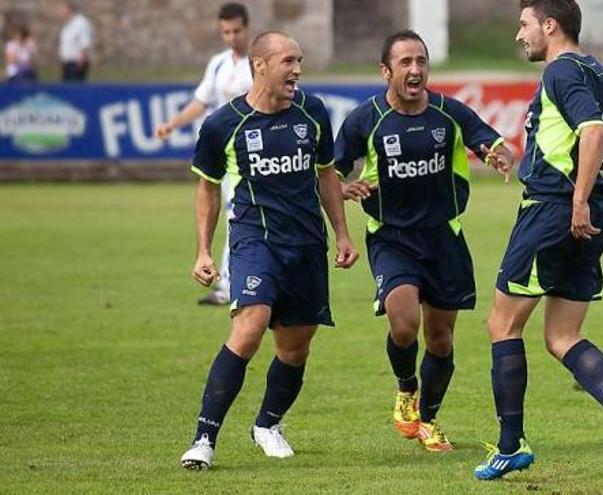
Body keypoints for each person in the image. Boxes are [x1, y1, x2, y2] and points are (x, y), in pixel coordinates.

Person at [473, 0, 603, 481]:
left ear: (549, 25)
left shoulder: (561, 72)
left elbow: (593, 132)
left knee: (502, 325)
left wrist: (576, 202)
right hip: (590, 215)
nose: (519, 35)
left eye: (524, 24)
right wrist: (599, 203)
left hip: (553, 210)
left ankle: (511, 444)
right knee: (562, 336)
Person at [179, 30, 359, 470]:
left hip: (307, 246)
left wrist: (343, 234)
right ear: (260, 65)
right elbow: (207, 189)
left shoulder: (312, 112)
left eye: (299, 61)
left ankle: (267, 424)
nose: (297, 70)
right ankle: (204, 439)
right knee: (249, 328)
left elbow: (326, 174)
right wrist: (203, 251)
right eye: (288, 61)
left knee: (295, 349)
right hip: (254, 242)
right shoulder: (224, 123)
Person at [334, 30, 514, 453]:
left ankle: (429, 420)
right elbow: (331, 171)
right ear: (386, 71)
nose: (415, 70)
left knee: (441, 340)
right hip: (391, 238)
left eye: (421, 61)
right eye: (405, 63)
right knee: (403, 324)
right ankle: (405, 389)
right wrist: (344, 188)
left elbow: (486, 139)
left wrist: (496, 154)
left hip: (444, 237)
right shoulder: (365, 119)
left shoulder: (448, 112)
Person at [155, 2, 253, 306]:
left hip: (252, 151)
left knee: (236, 214)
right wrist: (173, 124)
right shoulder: (219, 64)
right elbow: (201, 101)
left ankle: (230, 284)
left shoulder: (259, 62)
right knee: (232, 213)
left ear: (247, 28)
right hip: (224, 151)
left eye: (236, 30)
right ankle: (231, 282)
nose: (232, 37)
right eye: (226, 32)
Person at [58, 1, 93, 82]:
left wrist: (82, 58)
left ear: (69, 10)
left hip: (76, 63)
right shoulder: (67, 25)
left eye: (62, 10)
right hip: (67, 63)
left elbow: (85, 42)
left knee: (75, 89)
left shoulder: (81, 23)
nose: (60, 13)